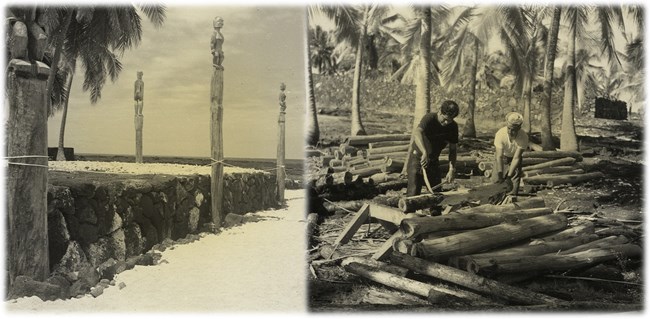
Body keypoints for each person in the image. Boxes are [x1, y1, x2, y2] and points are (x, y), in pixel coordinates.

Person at [407, 100, 460, 196]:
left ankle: (435, 211)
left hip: (433, 161)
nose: (447, 122)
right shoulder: (429, 118)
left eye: (450, 120)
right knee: (413, 193)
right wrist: (424, 152)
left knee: (436, 194)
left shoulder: (453, 127)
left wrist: (452, 169)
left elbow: (453, 150)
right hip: (418, 158)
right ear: (440, 112)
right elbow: (417, 133)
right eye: (445, 119)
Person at [494, 112, 529, 195]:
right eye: (509, 128)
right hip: (503, 157)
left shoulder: (523, 137)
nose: (510, 131)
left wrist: (509, 177)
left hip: (515, 158)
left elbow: (516, 158)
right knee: (496, 183)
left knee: (513, 185)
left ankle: (511, 200)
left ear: (518, 128)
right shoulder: (500, 134)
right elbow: (499, 157)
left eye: (513, 130)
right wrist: (500, 174)